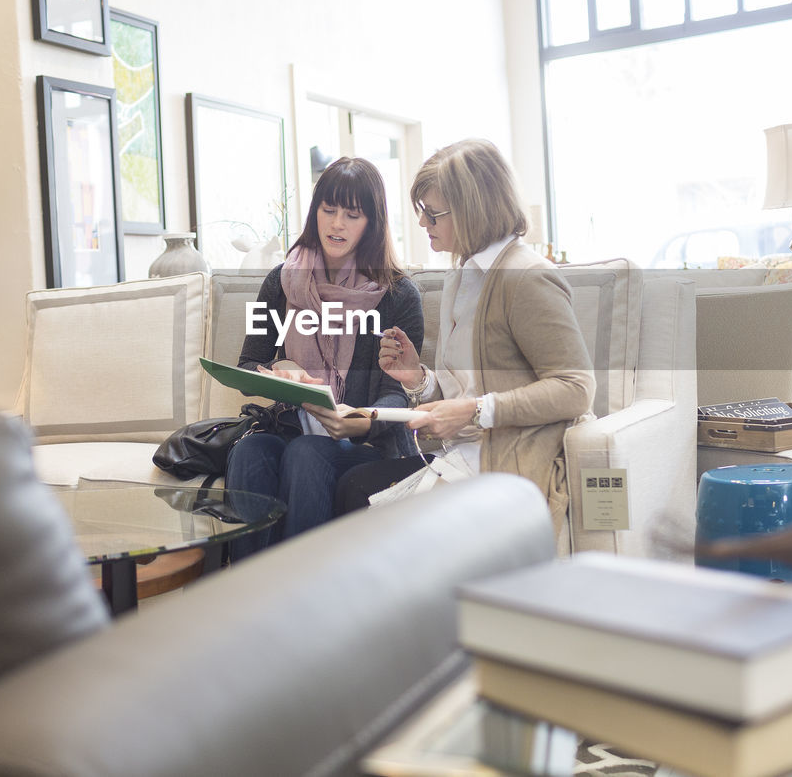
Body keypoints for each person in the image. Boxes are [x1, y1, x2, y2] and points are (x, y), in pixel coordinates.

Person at [334, 139, 595, 536]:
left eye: (432, 214)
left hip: (511, 460)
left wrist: (474, 410)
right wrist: (417, 380)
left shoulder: (526, 277)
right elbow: (467, 392)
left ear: (473, 210)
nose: (423, 224)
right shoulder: (463, 277)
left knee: (360, 501)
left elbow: (576, 388)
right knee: (353, 485)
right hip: (468, 451)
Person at [225, 157, 423, 558]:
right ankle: (245, 595)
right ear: (315, 211)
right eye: (328, 210)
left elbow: (397, 394)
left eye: (352, 215)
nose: (336, 224)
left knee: (308, 453)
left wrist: (358, 420)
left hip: (365, 444)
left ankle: (304, 598)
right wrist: (283, 372)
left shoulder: (399, 296)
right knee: (249, 451)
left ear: (373, 222)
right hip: (293, 426)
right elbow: (249, 364)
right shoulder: (280, 282)